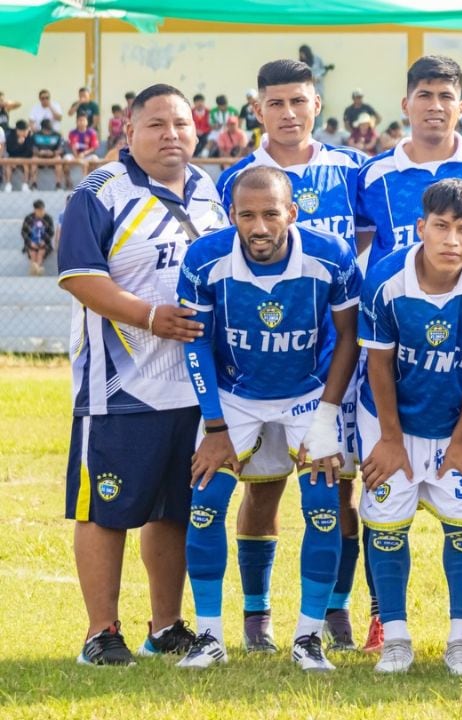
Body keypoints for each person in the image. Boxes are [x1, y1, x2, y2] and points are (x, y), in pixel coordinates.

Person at [56, 83, 226, 666]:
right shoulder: (99, 191)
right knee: (106, 509)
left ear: (196, 129)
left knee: (174, 507)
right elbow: (80, 276)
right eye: (155, 124)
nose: (170, 134)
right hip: (119, 386)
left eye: (180, 123)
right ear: (129, 133)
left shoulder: (211, 191)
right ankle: (100, 633)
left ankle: (166, 625)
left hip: (196, 387)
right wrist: (150, 316)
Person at [174, 166, 359, 672]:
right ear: (231, 215)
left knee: (324, 503)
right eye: (247, 215)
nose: (259, 227)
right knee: (206, 501)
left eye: (271, 214)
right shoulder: (204, 258)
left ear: (291, 213)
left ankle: (308, 639)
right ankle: (210, 637)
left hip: (309, 394)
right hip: (235, 395)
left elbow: (348, 337)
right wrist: (213, 427)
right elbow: (196, 343)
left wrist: (326, 416)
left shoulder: (332, 256)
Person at [214, 58, 369, 653]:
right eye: (275, 103)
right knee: (263, 488)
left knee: (337, 486)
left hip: (333, 362)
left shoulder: (354, 169)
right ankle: (257, 617)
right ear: (257, 109)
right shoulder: (235, 177)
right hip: (258, 366)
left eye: (298, 101)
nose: (288, 113)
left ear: (317, 105)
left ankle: (334, 608)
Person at [357, 178, 462, 675]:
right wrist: (388, 439)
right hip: (390, 417)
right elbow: (378, 365)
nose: (451, 240)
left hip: (458, 419)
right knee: (385, 520)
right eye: (441, 227)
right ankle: (396, 638)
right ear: (420, 227)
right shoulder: (385, 278)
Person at [356, 54, 462, 299]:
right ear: (405, 105)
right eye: (424, 95)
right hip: (395, 318)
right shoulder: (373, 175)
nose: (436, 106)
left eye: (446, 96)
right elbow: (353, 246)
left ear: (461, 108)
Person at [21, 198, 54, 275]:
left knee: (41, 252)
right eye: (39, 210)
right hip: (31, 242)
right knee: (32, 252)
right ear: (35, 210)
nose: (41, 212)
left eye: (42, 210)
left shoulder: (48, 218)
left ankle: (35, 270)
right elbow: (24, 232)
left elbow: (51, 232)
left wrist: (44, 241)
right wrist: (31, 242)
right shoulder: (29, 218)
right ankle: (37, 270)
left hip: (44, 242)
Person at [66, 113, 100, 183]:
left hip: (87, 155)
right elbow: (72, 146)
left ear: (87, 122)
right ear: (76, 122)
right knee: (66, 159)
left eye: (83, 120)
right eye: (79, 120)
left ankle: (90, 181)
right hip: (75, 155)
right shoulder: (72, 133)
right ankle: (68, 181)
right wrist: (77, 156)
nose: (81, 122)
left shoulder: (92, 132)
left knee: (95, 159)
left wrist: (84, 154)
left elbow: (93, 147)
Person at [32, 118, 65, 189]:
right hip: (39, 157)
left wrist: (53, 153)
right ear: (42, 128)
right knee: (34, 159)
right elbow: (32, 148)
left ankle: (58, 184)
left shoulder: (58, 135)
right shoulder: (35, 135)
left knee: (58, 159)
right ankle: (34, 184)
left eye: (49, 130)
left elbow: (61, 149)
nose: (47, 132)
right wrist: (39, 152)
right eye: (46, 130)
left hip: (53, 157)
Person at [4, 119, 35, 191]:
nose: (25, 133)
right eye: (23, 131)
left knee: (26, 165)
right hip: (12, 157)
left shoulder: (29, 136)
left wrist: (21, 159)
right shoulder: (10, 135)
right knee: (8, 165)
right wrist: (18, 144)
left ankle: (25, 185)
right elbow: (9, 150)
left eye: (26, 130)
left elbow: (30, 151)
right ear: (18, 130)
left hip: (25, 158)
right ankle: (8, 185)